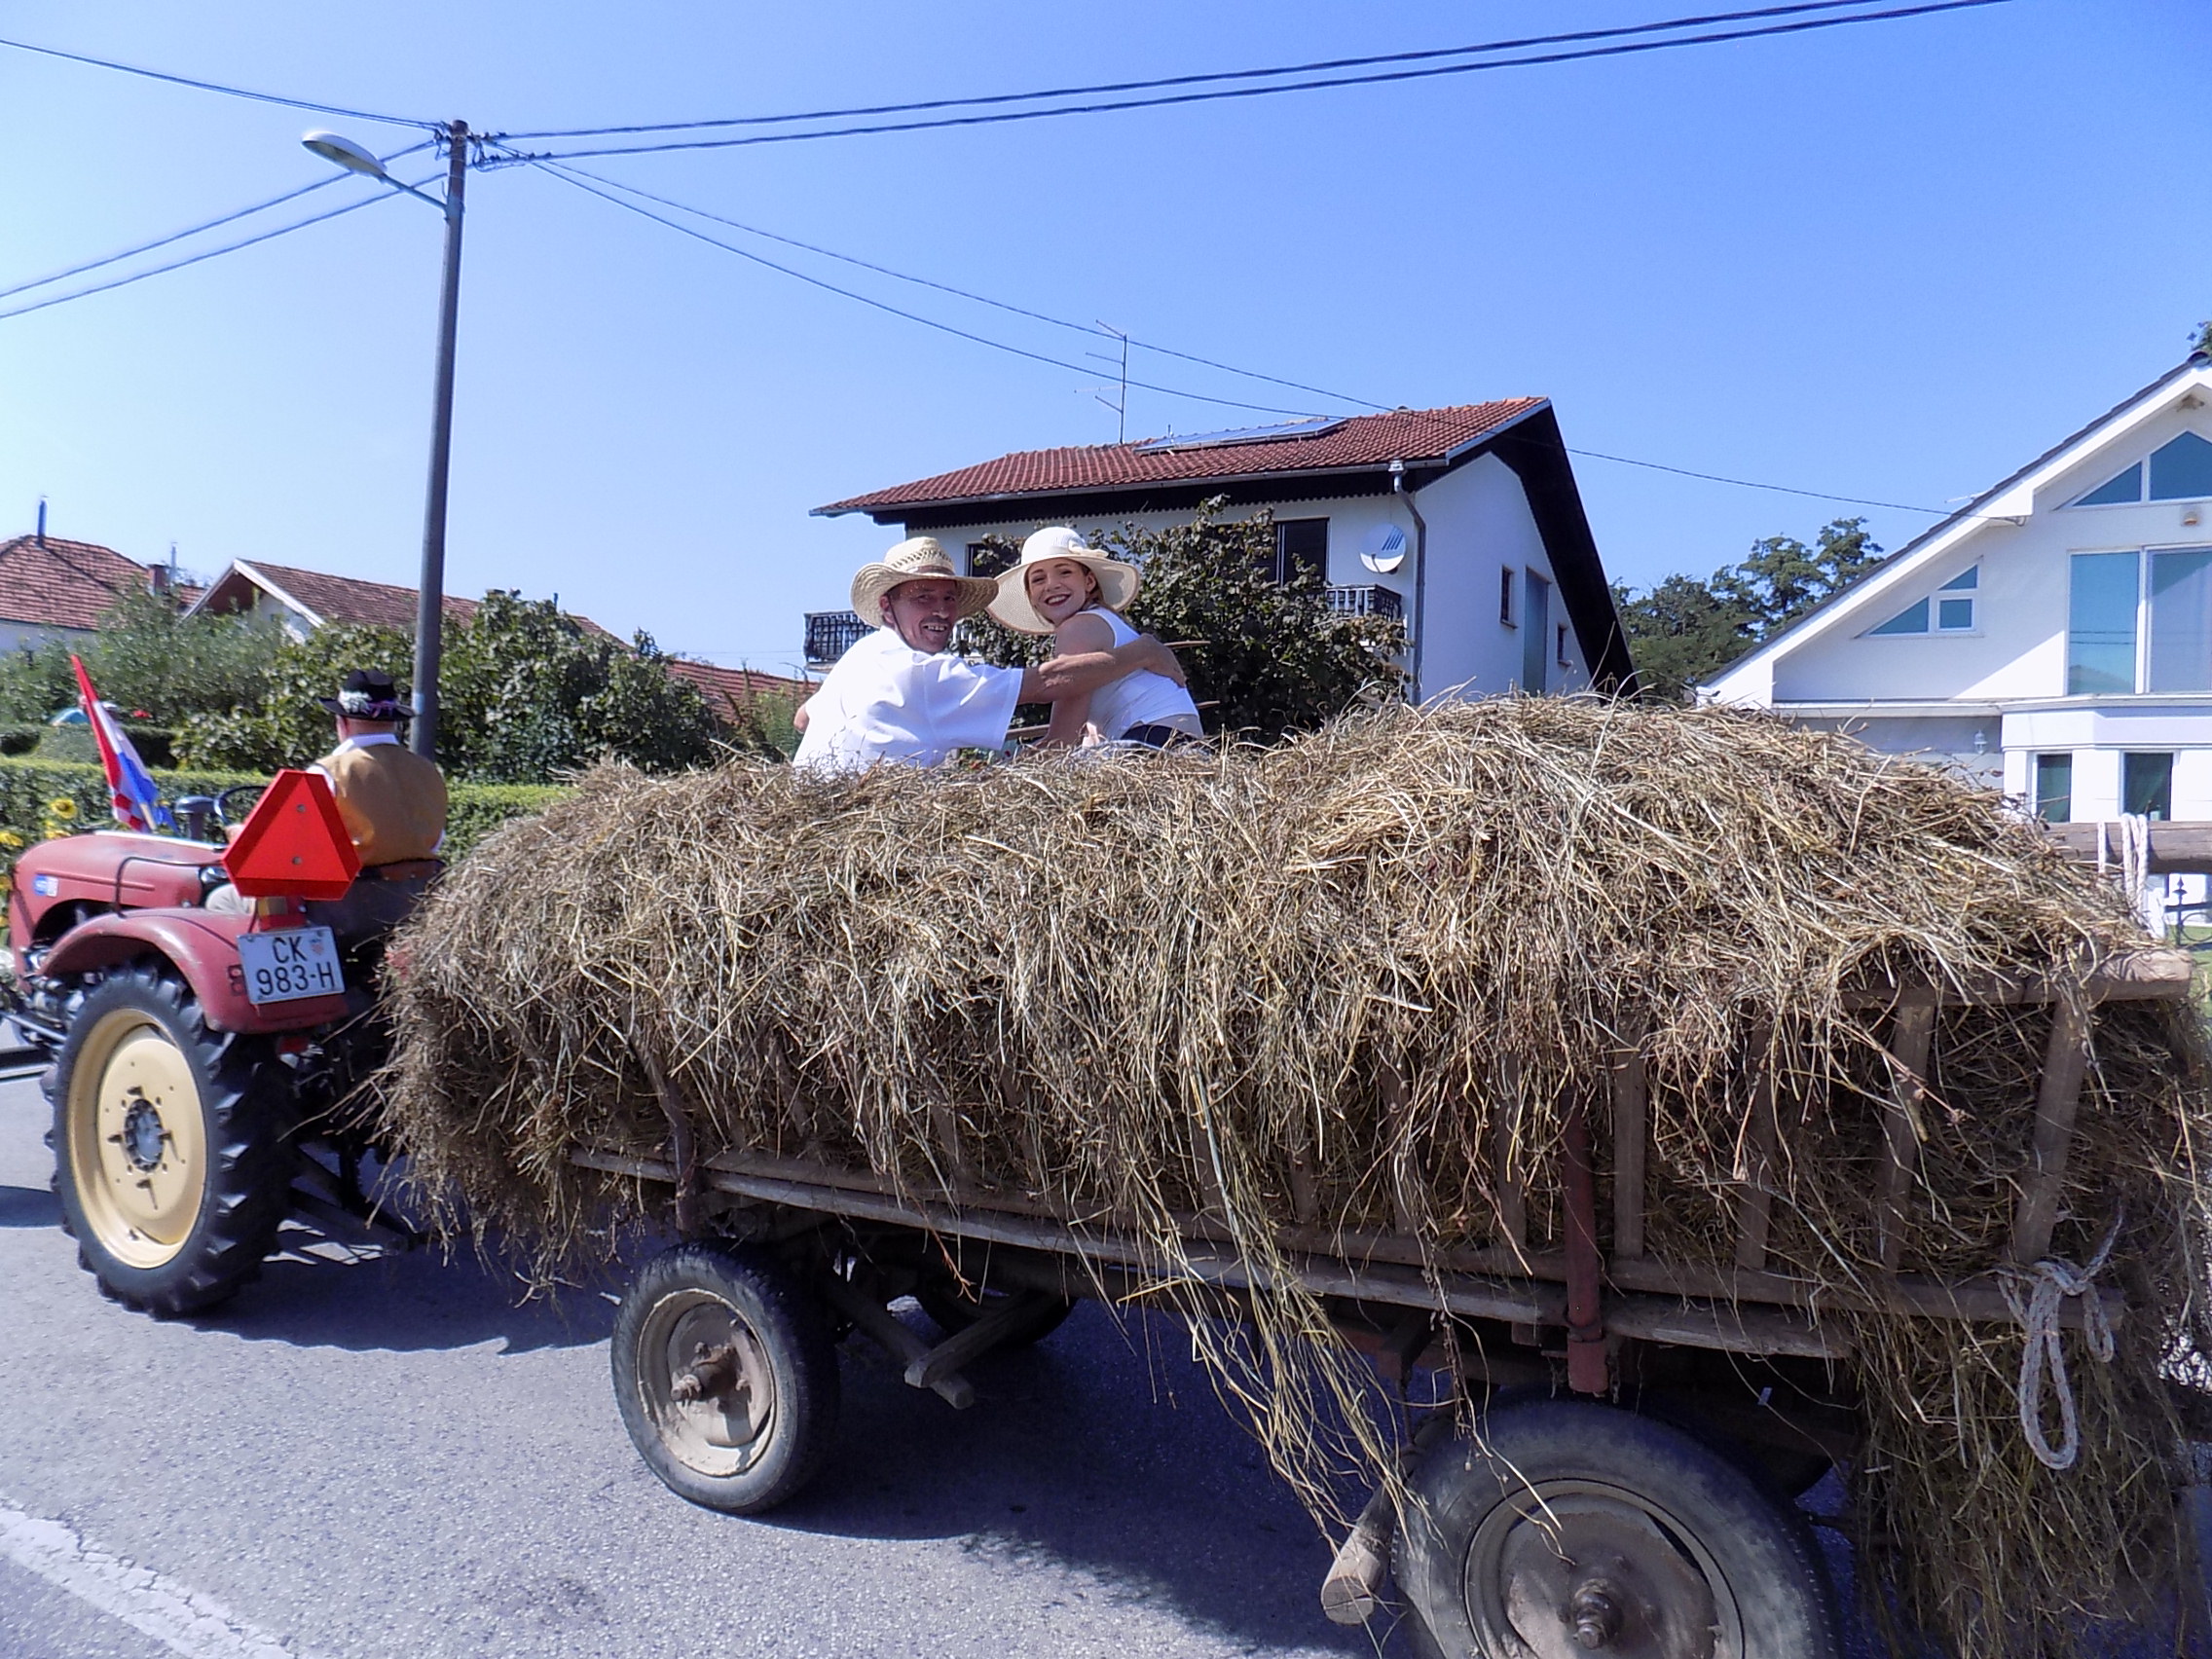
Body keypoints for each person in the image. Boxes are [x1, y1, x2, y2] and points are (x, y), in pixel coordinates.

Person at [793, 536, 1188, 774]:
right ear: (886, 605)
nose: (941, 611)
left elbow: (802, 717)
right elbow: (1048, 683)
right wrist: (1141, 651)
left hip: (819, 812)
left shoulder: (859, 656)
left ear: (1088, 579)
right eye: (922, 598)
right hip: (872, 821)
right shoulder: (923, 672)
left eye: (949, 599)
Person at [205, 669, 447, 931]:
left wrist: (241, 834)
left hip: (341, 916)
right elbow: (434, 843)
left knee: (220, 899)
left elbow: (286, 852)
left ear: (342, 722)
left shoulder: (327, 772)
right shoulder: (428, 770)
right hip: (412, 909)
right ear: (395, 722)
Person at [989, 527, 1203, 749]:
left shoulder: (1078, 628)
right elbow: (1089, 737)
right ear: (1031, 597)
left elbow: (1063, 740)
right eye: (1038, 579)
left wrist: (1006, 771)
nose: (1051, 585)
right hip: (1180, 740)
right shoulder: (1104, 621)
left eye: (1064, 572)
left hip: (1151, 738)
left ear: (1089, 582)